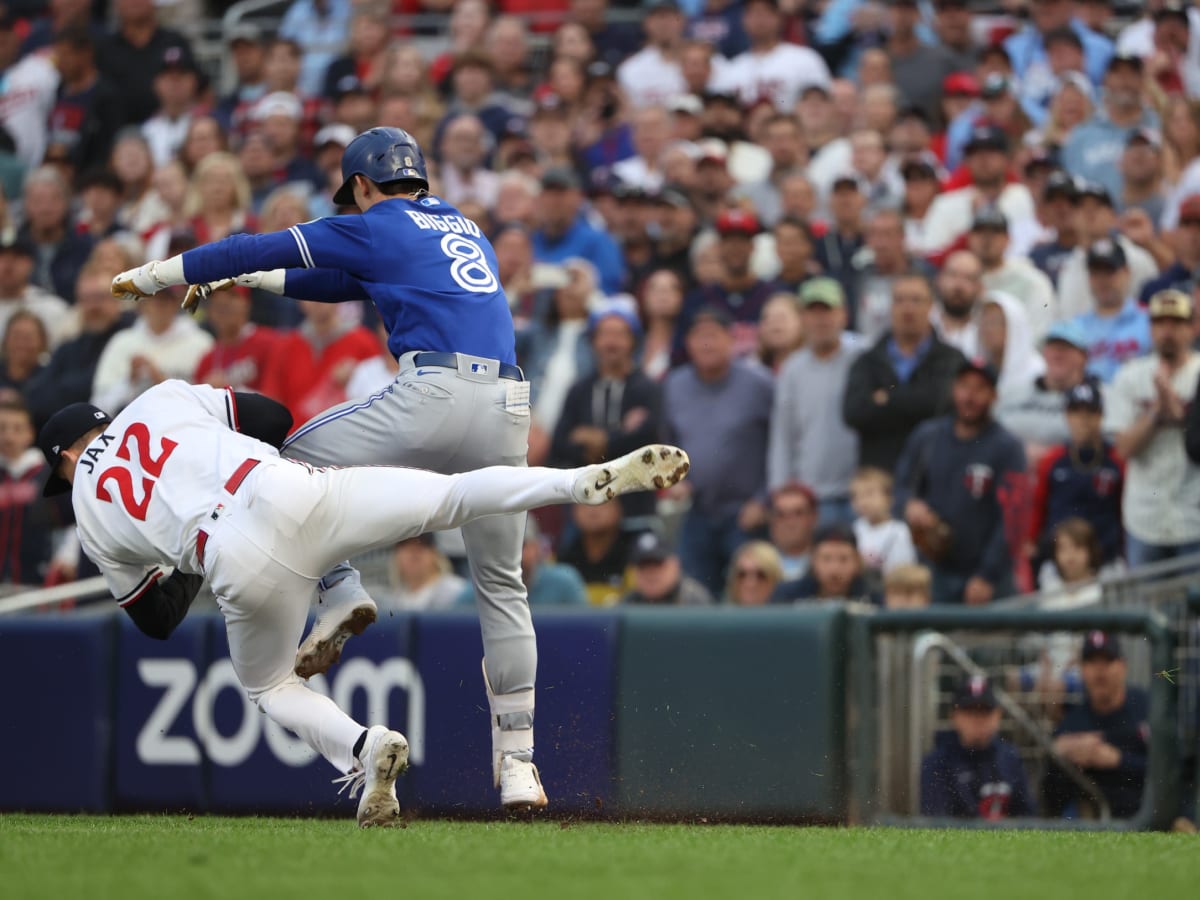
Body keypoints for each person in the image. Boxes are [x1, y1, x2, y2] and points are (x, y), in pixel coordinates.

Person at [108, 127, 566, 810]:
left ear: (360, 185)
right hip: (505, 405)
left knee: (283, 465)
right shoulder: (462, 226)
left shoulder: (378, 222)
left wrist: (159, 275)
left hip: (432, 397)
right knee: (501, 584)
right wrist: (249, 279)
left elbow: (253, 244)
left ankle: (342, 588)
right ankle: (521, 766)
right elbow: (340, 279)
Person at [36, 381, 688, 825]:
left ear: (68, 456)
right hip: (290, 491)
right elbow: (270, 417)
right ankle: (576, 482)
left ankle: (364, 745)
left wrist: (182, 557)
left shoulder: (88, 515)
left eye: (56, 475)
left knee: (268, 685)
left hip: (231, 556)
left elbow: (155, 619)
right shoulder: (160, 400)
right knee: (452, 497)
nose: (61, 486)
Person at [894, 360, 1027, 605]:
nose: (970, 396)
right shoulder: (928, 437)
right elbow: (901, 488)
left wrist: (988, 575)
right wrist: (910, 506)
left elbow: (1013, 518)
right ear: (954, 389)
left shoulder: (1007, 447)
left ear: (993, 395)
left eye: (979, 388)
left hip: (987, 577)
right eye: (964, 386)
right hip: (935, 569)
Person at [664, 305, 773, 597]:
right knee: (694, 593)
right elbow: (667, 443)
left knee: (746, 594)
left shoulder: (759, 383)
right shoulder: (675, 386)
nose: (706, 343)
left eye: (713, 335)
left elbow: (780, 444)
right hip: (696, 511)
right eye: (698, 336)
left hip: (746, 511)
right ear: (687, 343)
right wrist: (675, 482)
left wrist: (764, 499)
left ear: (731, 339)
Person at [1106, 289, 1200, 565]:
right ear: (1150, 328)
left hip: (1194, 516)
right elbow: (1123, 448)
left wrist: (1181, 416)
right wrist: (1157, 413)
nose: (1168, 331)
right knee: (1145, 605)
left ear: (1192, 328)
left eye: (1176, 323)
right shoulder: (1130, 375)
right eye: (1160, 323)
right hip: (1145, 516)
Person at [549, 300, 662, 526]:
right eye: (604, 334)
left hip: (635, 506)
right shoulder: (580, 389)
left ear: (632, 341)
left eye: (620, 334)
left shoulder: (647, 388)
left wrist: (600, 439)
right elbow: (559, 443)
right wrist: (618, 437)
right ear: (593, 341)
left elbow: (650, 439)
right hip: (586, 504)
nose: (612, 342)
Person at [843, 272, 967, 473]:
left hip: (936, 474)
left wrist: (886, 398)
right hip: (879, 482)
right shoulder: (867, 361)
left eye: (916, 300)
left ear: (931, 307)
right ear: (891, 306)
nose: (908, 308)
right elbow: (853, 413)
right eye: (900, 300)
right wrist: (915, 400)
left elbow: (938, 404)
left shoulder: (951, 358)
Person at [769, 277, 862, 526]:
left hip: (861, 493)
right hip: (812, 496)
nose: (821, 320)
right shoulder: (792, 368)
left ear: (843, 314)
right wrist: (780, 490)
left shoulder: (863, 355)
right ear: (802, 318)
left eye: (827, 311)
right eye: (812, 312)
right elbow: (783, 434)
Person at [1043, 631, 1149, 819]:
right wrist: (1059, 756)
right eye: (1092, 662)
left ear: (1123, 666)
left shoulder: (1147, 708)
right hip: (1096, 825)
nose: (1100, 671)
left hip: (1148, 816)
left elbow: (1175, 773)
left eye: (1107, 661)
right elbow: (1051, 799)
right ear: (1082, 669)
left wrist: (1118, 760)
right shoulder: (1072, 723)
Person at [1028, 380, 1124, 569]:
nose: (1083, 419)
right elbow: (1038, 506)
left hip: (1106, 560)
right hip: (1059, 562)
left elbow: (1124, 511)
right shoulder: (1052, 460)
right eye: (1076, 412)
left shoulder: (1116, 461)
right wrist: (1030, 540)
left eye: (1090, 412)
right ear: (1066, 416)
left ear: (1101, 416)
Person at [920, 675, 1034, 819]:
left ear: (998, 715)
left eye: (985, 712)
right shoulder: (937, 763)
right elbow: (937, 821)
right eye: (970, 712)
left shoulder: (1010, 757)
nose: (978, 720)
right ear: (954, 716)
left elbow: (1027, 817)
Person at [996, 320, 1093, 465]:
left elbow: (1103, 446)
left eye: (1066, 348)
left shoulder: (1098, 398)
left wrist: (1048, 456)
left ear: (1084, 357)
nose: (1058, 354)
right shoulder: (1013, 393)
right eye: (1053, 346)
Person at [0, 398, 72, 585]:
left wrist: (67, 556)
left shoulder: (48, 473)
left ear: (30, 433)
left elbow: (73, 521)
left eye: (17, 428)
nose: (8, 436)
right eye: (2, 428)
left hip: (38, 584)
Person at [1065, 239, 1152, 384]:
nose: (1102, 280)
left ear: (1127, 272)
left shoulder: (1149, 319)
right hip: (1090, 403)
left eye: (1109, 272)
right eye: (1095, 273)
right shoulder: (1074, 328)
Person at [458, 517, 588, 609]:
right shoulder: (480, 588)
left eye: (522, 545)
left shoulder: (564, 582)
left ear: (537, 547)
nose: (513, 554)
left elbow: (584, 632)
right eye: (504, 547)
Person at [557, 499, 636, 607]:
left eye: (602, 503)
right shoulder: (561, 556)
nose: (593, 511)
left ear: (618, 509)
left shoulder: (635, 554)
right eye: (585, 505)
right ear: (573, 512)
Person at [771, 523, 874, 604]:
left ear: (857, 562)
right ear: (813, 561)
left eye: (844, 559)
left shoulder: (872, 598)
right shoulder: (788, 597)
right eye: (826, 559)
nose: (834, 569)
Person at [850, 467, 916, 582]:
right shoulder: (854, 528)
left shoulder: (899, 531)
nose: (863, 502)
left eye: (869, 494)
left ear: (889, 498)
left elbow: (904, 570)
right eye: (857, 496)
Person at [620, 530, 714, 606]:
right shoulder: (628, 604)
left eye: (657, 564)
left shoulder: (695, 599)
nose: (650, 573)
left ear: (675, 565)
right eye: (642, 566)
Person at [382, 533, 466, 612]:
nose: (414, 553)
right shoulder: (392, 602)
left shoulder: (458, 591)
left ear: (434, 554)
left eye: (421, 546)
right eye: (406, 547)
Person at [767, 480, 818, 580]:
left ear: (813, 517)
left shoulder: (828, 563)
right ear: (771, 520)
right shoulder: (754, 567)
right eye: (781, 515)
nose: (790, 523)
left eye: (798, 514)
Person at [725, 539, 784, 606]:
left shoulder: (794, 614)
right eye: (742, 575)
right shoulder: (720, 614)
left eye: (760, 575)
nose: (750, 583)